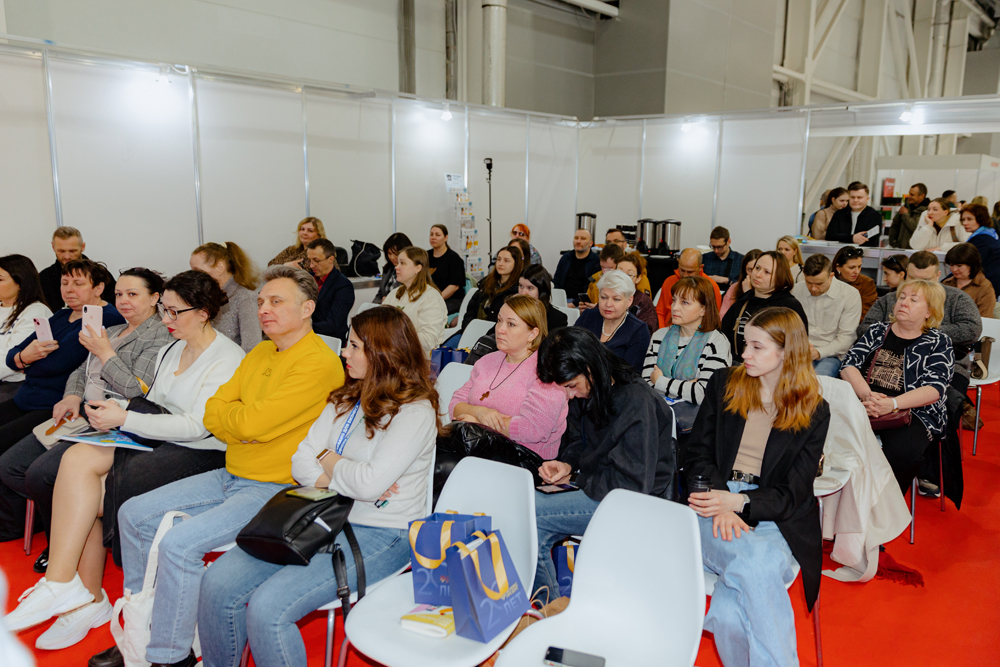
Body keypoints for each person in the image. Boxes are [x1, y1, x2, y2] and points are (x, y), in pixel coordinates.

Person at [89, 266, 344, 667]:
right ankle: (145, 630)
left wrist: (239, 423)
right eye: (261, 301)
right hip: (232, 470)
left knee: (178, 545)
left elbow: (250, 423)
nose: (263, 309)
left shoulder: (318, 363)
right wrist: (240, 424)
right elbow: (215, 413)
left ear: (308, 308)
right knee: (133, 514)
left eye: (276, 302)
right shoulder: (259, 352)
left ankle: (170, 656)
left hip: (275, 488)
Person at [3, 271, 244, 648]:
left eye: (174, 312)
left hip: (199, 451)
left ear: (203, 312)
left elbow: (196, 427)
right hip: (157, 433)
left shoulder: (227, 358)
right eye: (164, 310)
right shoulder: (173, 347)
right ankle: (65, 586)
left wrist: (125, 418)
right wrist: (117, 411)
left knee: (85, 497)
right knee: (75, 461)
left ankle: (82, 596)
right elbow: (152, 401)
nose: (166, 319)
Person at [198, 306, 439, 667]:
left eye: (354, 346)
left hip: (382, 531)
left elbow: (368, 483)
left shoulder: (415, 412)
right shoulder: (346, 397)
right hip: (321, 513)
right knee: (216, 583)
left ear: (383, 353)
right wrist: (341, 474)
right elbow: (302, 460)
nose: (344, 352)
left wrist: (332, 464)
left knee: (267, 609)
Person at [686, 307, 830, 667]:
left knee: (730, 613)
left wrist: (738, 503)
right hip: (710, 502)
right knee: (759, 563)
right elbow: (697, 454)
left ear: (786, 352)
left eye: (757, 347)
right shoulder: (724, 383)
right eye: (745, 344)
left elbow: (794, 492)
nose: (744, 354)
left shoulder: (814, 409)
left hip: (774, 516)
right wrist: (722, 501)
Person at [0, 267, 160, 549]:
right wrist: (73, 395)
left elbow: (135, 391)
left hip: (113, 421)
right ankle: (63, 529)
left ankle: (62, 543)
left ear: (155, 297)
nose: (123, 301)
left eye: (132, 294)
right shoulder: (113, 329)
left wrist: (104, 352)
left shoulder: (159, 337)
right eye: (119, 294)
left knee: (40, 475)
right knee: (10, 466)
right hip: (78, 411)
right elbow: (79, 370)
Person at [533, 326, 676, 595]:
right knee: (525, 508)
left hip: (628, 501)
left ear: (589, 368)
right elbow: (578, 440)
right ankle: (549, 603)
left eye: (572, 386)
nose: (570, 395)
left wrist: (579, 478)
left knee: (531, 515)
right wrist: (568, 464)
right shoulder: (592, 388)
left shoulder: (636, 400)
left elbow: (632, 484)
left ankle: (548, 606)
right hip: (599, 486)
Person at [0, 260, 124, 462]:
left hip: (57, 404)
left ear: (98, 288)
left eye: (78, 283)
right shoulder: (62, 314)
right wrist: (23, 357)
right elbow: (12, 356)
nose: (69, 290)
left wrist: (26, 361)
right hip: (26, 396)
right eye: (64, 283)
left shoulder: (105, 317)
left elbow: (57, 364)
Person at [842, 280, 954, 493]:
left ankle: (884, 503)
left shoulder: (938, 342)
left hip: (913, 410)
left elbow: (934, 388)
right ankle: (847, 495)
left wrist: (892, 404)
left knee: (905, 453)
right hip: (865, 402)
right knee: (828, 435)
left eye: (914, 300)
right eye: (902, 297)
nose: (904, 303)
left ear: (929, 312)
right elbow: (849, 365)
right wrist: (866, 395)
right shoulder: (877, 331)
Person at [450, 296, 568, 460]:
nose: (500, 329)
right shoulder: (487, 361)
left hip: (524, 458)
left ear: (532, 333)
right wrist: (480, 412)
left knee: (447, 465)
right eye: (499, 321)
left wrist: (477, 423)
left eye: (511, 324)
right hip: (478, 449)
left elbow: (532, 429)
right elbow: (455, 404)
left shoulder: (547, 370)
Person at [859, 251, 981, 390]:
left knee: (944, 397)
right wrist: (896, 332)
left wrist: (923, 331)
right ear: (906, 274)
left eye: (926, 280)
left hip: (947, 364)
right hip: (886, 361)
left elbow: (972, 330)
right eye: (912, 278)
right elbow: (864, 329)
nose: (918, 284)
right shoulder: (890, 299)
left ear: (938, 275)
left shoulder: (957, 298)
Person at [642, 276, 731, 433]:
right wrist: (687, 386)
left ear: (704, 309)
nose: (674, 307)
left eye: (684, 302)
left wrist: (661, 381)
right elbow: (645, 386)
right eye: (674, 300)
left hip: (695, 428)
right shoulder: (660, 336)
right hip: (655, 418)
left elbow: (704, 395)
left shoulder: (717, 342)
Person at [720, 251, 807, 360]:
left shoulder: (789, 307)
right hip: (736, 365)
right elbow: (723, 340)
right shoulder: (741, 303)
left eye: (767, 272)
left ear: (780, 277)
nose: (758, 275)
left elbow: (796, 349)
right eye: (757, 268)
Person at [791, 254, 862, 377]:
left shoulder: (850, 295)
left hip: (833, 354)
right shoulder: (796, 290)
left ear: (831, 276)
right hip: (800, 350)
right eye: (809, 282)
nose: (813, 288)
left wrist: (818, 352)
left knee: (820, 381)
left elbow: (846, 338)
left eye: (819, 283)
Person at [190, 242, 262, 354]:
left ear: (220, 268)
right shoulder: (204, 297)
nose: (194, 277)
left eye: (198, 271)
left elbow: (252, 348)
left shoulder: (246, 298)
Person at [0, 255, 52, 404]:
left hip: (19, 385)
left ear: (20, 283)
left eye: (0, 279)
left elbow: (11, 359)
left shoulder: (36, 311)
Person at [576, 271, 651, 371]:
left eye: (616, 299)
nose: (608, 304)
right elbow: (570, 350)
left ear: (629, 301)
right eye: (604, 297)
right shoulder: (588, 316)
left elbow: (631, 374)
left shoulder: (639, 330)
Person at [381, 247, 448, 355]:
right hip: (392, 354)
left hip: (419, 359)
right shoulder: (394, 294)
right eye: (398, 263)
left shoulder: (431, 297)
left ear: (418, 268)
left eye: (402, 263)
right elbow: (379, 324)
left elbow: (429, 340)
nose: (397, 267)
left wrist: (395, 335)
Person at [38, 227, 116, 309]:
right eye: (61, 251)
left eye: (72, 251)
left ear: (82, 247)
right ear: (53, 247)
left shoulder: (100, 273)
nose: (67, 256)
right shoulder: (43, 278)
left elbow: (115, 306)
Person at [656, 248, 722, 328]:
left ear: (700, 267)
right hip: (669, 330)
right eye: (682, 270)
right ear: (678, 263)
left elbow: (713, 318)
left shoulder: (711, 286)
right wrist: (663, 332)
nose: (685, 275)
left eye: (690, 272)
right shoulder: (669, 281)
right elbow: (660, 313)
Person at [462, 246, 523, 329]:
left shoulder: (518, 289)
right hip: (474, 327)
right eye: (499, 259)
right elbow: (471, 309)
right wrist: (468, 328)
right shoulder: (486, 282)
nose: (500, 263)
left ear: (516, 264)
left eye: (506, 261)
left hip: (496, 332)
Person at [306, 238, 355, 341]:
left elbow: (332, 325)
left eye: (316, 261)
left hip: (328, 340)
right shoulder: (307, 278)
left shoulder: (343, 286)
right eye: (309, 260)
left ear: (331, 259)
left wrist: (300, 328)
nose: (311, 265)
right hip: (305, 335)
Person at [943, 244, 996, 319]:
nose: (954, 269)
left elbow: (985, 318)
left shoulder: (985, 288)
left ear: (972, 265)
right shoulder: (946, 283)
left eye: (959, 266)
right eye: (951, 265)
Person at [826, 182, 882, 247]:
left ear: (867, 199)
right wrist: (852, 238)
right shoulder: (839, 214)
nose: (855, 200)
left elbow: (873, 240)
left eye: (859, 197)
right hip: (840, 250)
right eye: (852, 197)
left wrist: (845, 238)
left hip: (864, 252)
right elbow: (830, 236)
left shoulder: (874, 215)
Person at [959, 203, 1000, 292]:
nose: (965, 223)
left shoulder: (982, 239)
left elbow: (968, 265)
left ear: (980, 219)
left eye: (969, 219)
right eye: (963, 219)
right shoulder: (989, 233)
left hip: (987, 286)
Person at [428, 224, 467, 314]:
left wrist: (437, 299)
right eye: (431, 234)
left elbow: (454, 286)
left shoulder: (454, 258)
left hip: (452, 299)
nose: (433, 237)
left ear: (446, 238)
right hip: (431, 298)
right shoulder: (426, 256)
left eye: (437, 235)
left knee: (433, 311)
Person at [552, 229, 599, 303]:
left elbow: (591, 288)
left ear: (591, 243)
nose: (578, 241)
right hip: (562, 299)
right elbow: (557, 281)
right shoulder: (566, 258)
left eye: (583, 238)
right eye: (576, 238)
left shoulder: (596, 261)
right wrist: (558, 299)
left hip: (583, 303)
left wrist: (574, 303)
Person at [518, 264, 568, 333]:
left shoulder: (557, 319)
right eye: (521, 286)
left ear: (542, 290)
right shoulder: (513, 311)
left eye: (530, 288)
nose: (523, 293)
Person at [616, 252, 658, 334]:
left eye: (629, 275)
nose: (623, 278)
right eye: (620, 272)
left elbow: (648, 332)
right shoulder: (608, 294)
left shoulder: (643, 301)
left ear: (638, 278)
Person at [832, 246, 877, 319]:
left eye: (859, 266)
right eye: (851, 267)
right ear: (838, 267)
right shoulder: (825, 282)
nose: (857, 271)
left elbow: (865, 315)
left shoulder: (867, 283)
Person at [720, 249, 762, 318]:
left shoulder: (767, 290)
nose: (753, 274)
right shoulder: (735, 287)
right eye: (750, 269)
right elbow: (723, 317)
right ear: (744, 270)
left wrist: (748, 294)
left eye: (757, 268)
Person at [888, 183, 931, 249]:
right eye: (909, 194)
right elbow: (895, 224)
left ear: (922, 196)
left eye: (912, 195)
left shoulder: (927, 212)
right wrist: (893, 242)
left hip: (915, 250)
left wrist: (906, 215)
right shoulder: (906, 207)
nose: (908, 197)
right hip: (900, 248)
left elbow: (915, 228)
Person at [374, 232, 413, 304]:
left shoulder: (411, 271)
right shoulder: (388, 268)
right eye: (389, 253)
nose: (392, 257)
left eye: (396, 254)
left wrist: (388, 301)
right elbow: (380, 295)